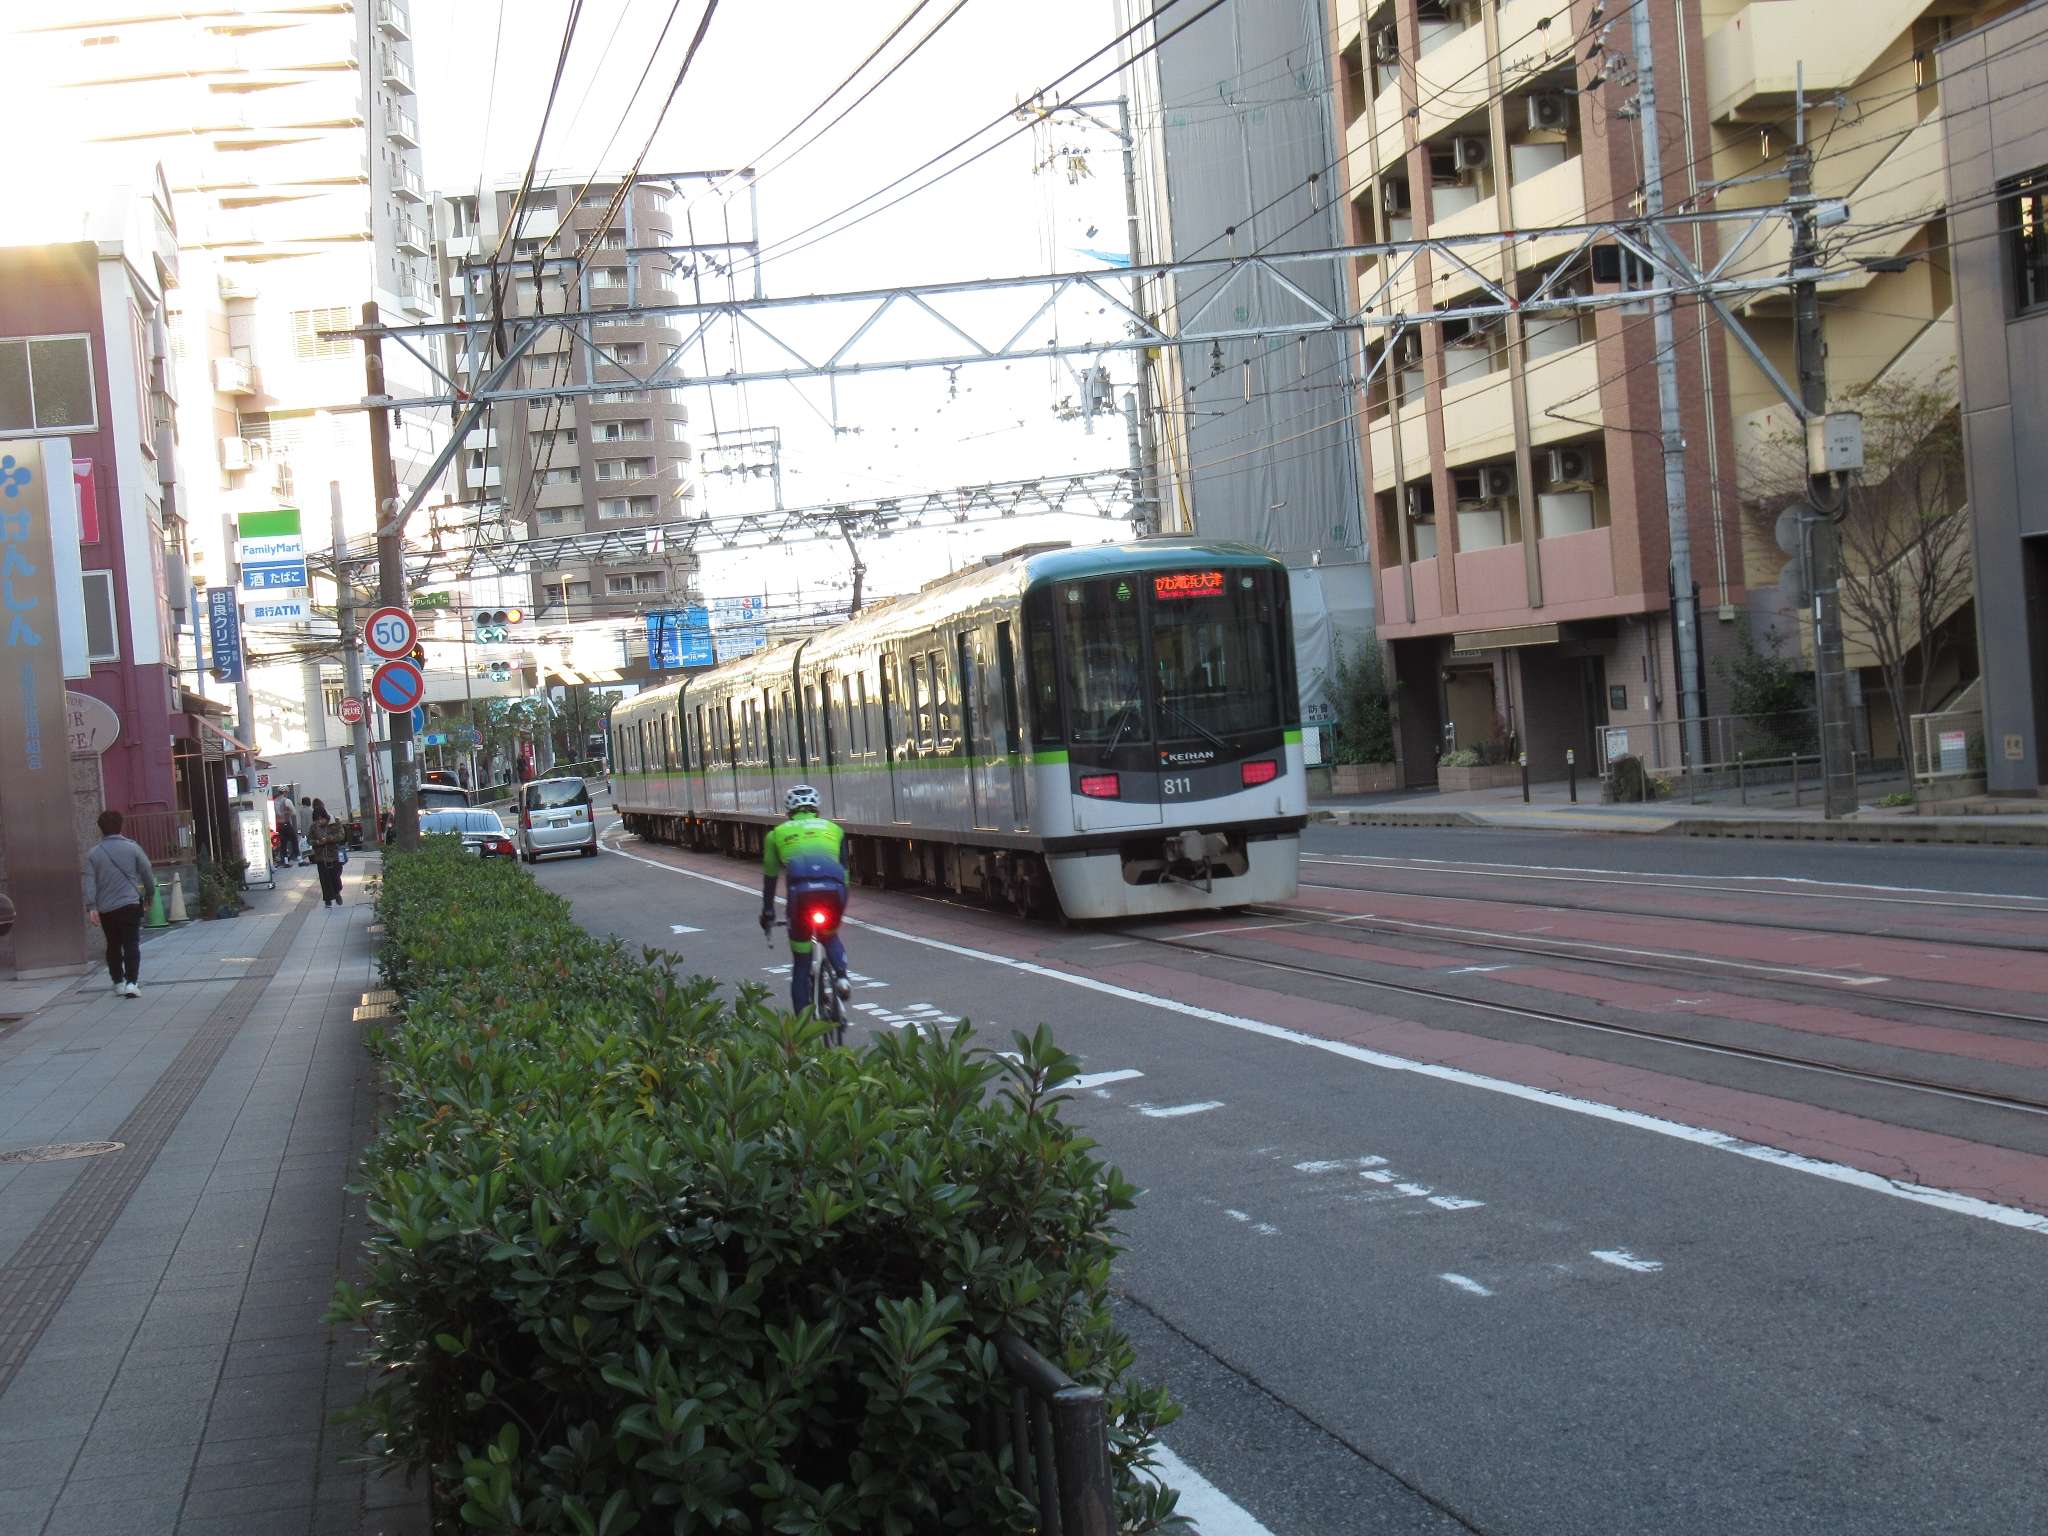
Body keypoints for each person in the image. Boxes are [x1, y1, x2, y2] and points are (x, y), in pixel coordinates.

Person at [758, 784, 852, 1015]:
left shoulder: (776, 835)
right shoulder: (835, 830)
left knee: (801, 964)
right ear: (816, 808)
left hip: (801, 896)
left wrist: (768, 912)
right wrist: (840, 908)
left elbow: (770, 878)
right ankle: (841, 978)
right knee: (829, 934)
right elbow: (845, 875)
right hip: (834, 891)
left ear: (789, 811)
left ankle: (803, 1032)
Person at [82, 810, 156, 998]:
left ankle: (118, 981)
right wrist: (150, 894)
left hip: (107, 908)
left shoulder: (94, 854)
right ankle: (132, 983)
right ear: (121, 826)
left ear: (101, 829)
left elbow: (89, 882)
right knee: (131, 943)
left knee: (113, 944)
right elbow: (147, 870)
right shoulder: (133, 848)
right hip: (130, 903)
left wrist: (92, 906)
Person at [310, 799, 347, 906]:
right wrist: (316, 842)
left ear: (325, 817)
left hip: (334, 855)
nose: (319, 822)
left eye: (321, 819)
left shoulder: (334, 822)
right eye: (317, 820)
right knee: (324, 878)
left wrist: (328, 839)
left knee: (335, 876)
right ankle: (328, 900)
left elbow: (341, 835)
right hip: (320, 856)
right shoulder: (313, 826)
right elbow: (309, 839)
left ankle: (337, 892)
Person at [274, 792, 301, 866]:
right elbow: (294, 812)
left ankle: (285, 861)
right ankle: (299, 859)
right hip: (286, 823)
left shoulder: (274, 802)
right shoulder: (286, 801)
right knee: (294, 840)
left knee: (283, 843)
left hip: (278, 825)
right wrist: (287, 812)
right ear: (285, 793)